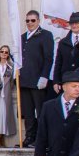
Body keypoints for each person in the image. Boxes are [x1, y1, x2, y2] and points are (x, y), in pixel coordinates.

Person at [19, 10, 55, 147]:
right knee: (28, 113)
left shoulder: (45, 35)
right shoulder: (22, 37)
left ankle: (41, 139)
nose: (30, 23)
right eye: (27, 21)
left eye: (32, 20)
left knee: (40, 112)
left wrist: (44, 76)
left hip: (38, 80)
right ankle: (29, 137)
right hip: (24, 80)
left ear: (38, 21)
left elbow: (49, 58)